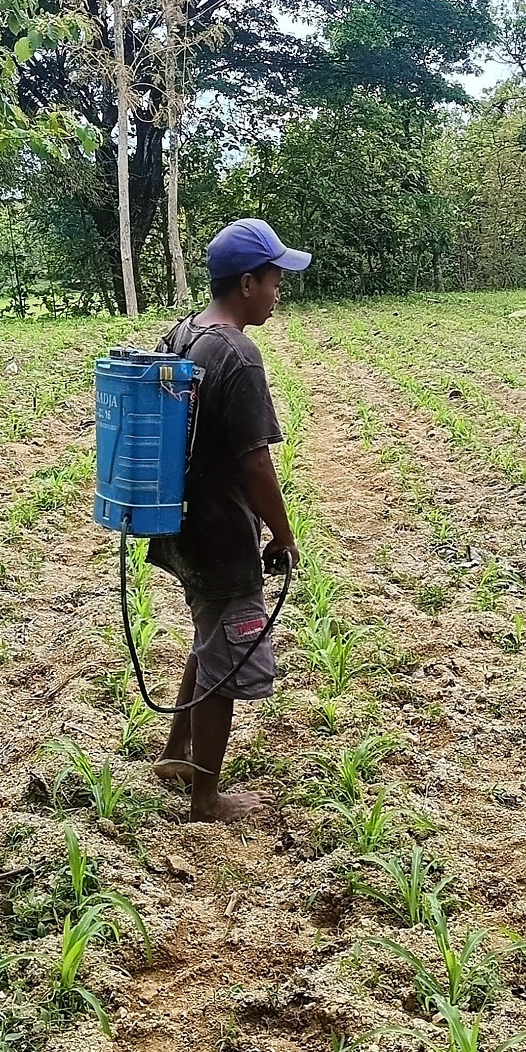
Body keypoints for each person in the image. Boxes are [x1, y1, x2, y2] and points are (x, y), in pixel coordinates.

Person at [147, 218, 309, 823]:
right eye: (274, 279)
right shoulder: (238, 355)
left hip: (180, 523)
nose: (278, 291)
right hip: (219, 529)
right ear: (247, 283)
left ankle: (176, 752)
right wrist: (283, 533)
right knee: (230, 649)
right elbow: (254, 463)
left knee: (208, 632)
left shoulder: (187, 332)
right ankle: (205, 797)